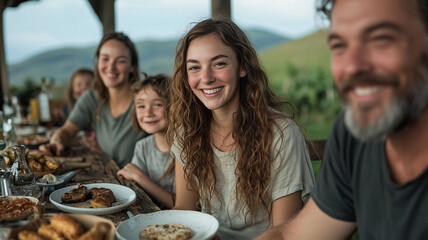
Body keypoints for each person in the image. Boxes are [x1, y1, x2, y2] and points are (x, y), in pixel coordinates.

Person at [255, 0, 428, 239]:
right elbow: (293, 236)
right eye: (339, 46)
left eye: (380, 39)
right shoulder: (354, 135)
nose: (352, 66)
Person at [166, 18, 315, 239]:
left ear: (243, 67)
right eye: (194, 67)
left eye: (219, 64)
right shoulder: (187, 132)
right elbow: (185, 211)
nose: (206, 78)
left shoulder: (281, 134)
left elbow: (282, 232)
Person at [40, 32, 147, 168]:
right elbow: (66, 131)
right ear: (97, 62)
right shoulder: (91, 98)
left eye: (120, 61)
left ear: (132, 66)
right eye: (105, 59)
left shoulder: (145, 101)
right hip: (108, 179)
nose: (111, 67)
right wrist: (56, 142)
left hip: (139, 187)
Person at [117, 73, 175, 208]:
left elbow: (182, 206)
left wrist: (140, 177)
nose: (148, 112)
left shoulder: (186, 148)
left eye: (158, 104)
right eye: (141, 106)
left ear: (175, 107)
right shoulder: (142, 147)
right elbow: (134, 189)